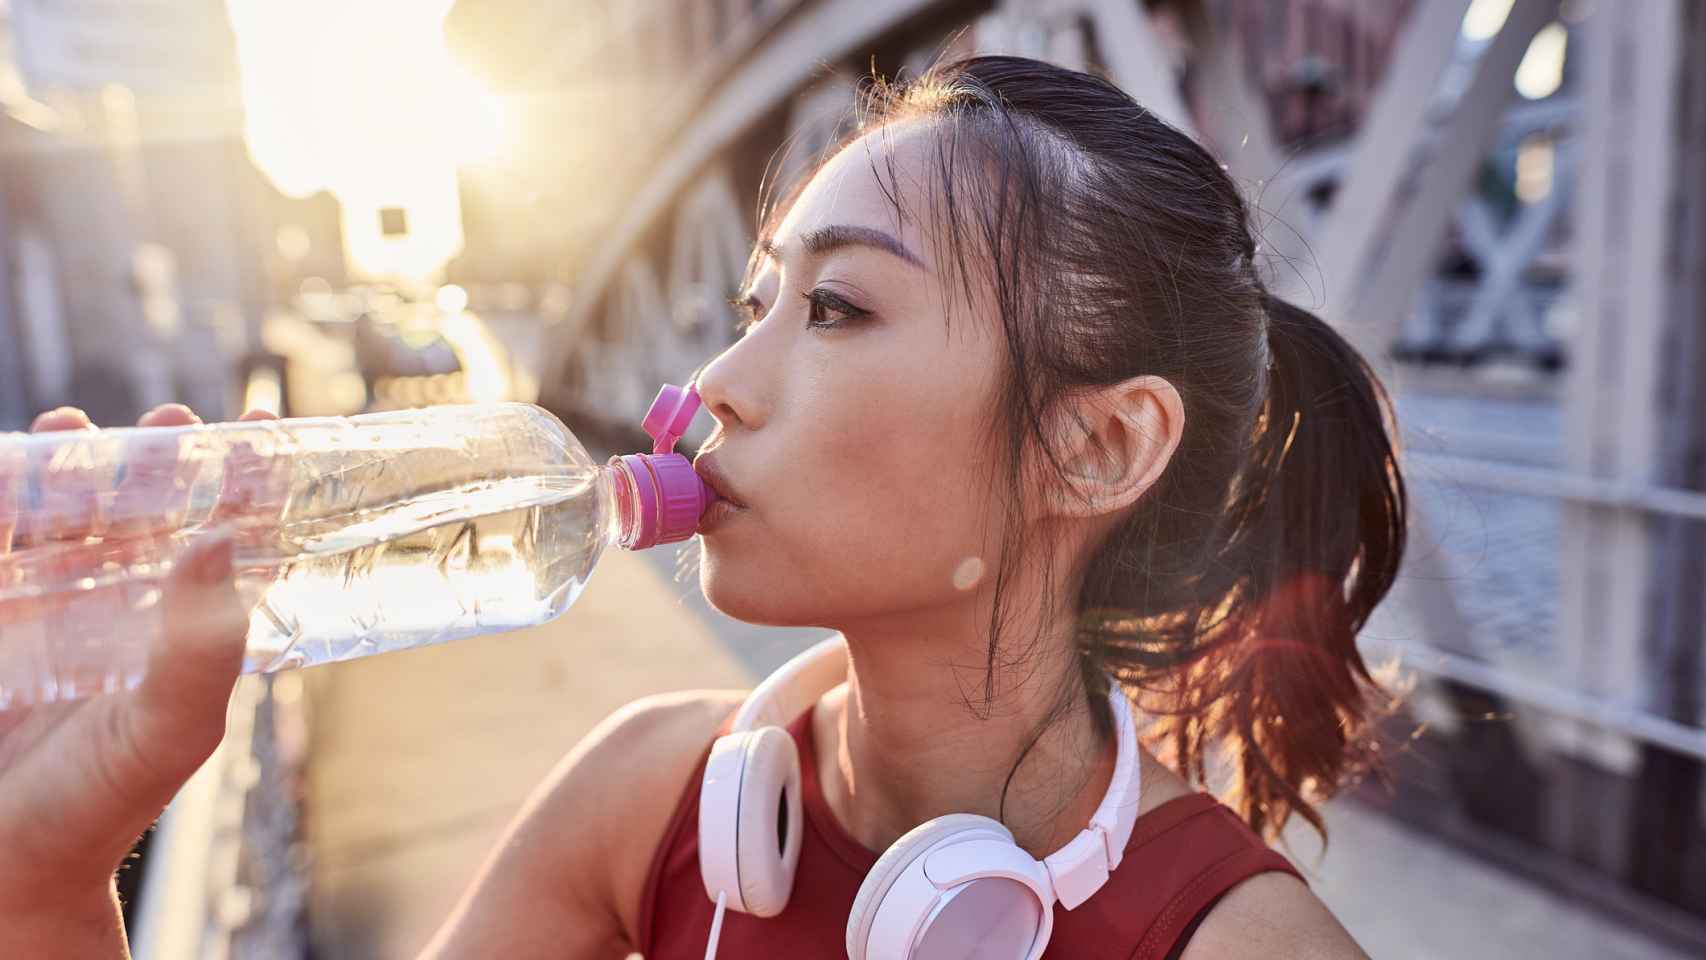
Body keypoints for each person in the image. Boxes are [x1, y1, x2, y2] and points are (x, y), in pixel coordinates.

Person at [1, 57, 1404, 957]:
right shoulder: (643, 802)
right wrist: (50, 868)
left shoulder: (1236, 944)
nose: (713, 383)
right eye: (753, 305)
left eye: (838, 306)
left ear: (1094, 448)